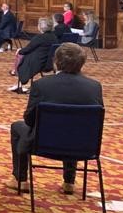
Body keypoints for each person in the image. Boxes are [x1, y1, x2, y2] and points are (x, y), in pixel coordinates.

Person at [9, 43, 102, 194]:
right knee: (74, 127)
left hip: (44, 143)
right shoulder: (94, 86)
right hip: (83, 145)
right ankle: (69, 182)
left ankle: (20, 179)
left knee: (17, 126)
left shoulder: (41, 85)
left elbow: (29, 120)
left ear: (56, 61)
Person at [8, 18, 58, 94]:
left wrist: (19, 51)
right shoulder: (54, 37)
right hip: (50, 63)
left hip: (39, 63)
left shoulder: (39, 37)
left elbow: (28, 49)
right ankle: (19, 80)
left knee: (21, 55)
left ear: (40, 27)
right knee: (25, 56)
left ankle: (19, 81)